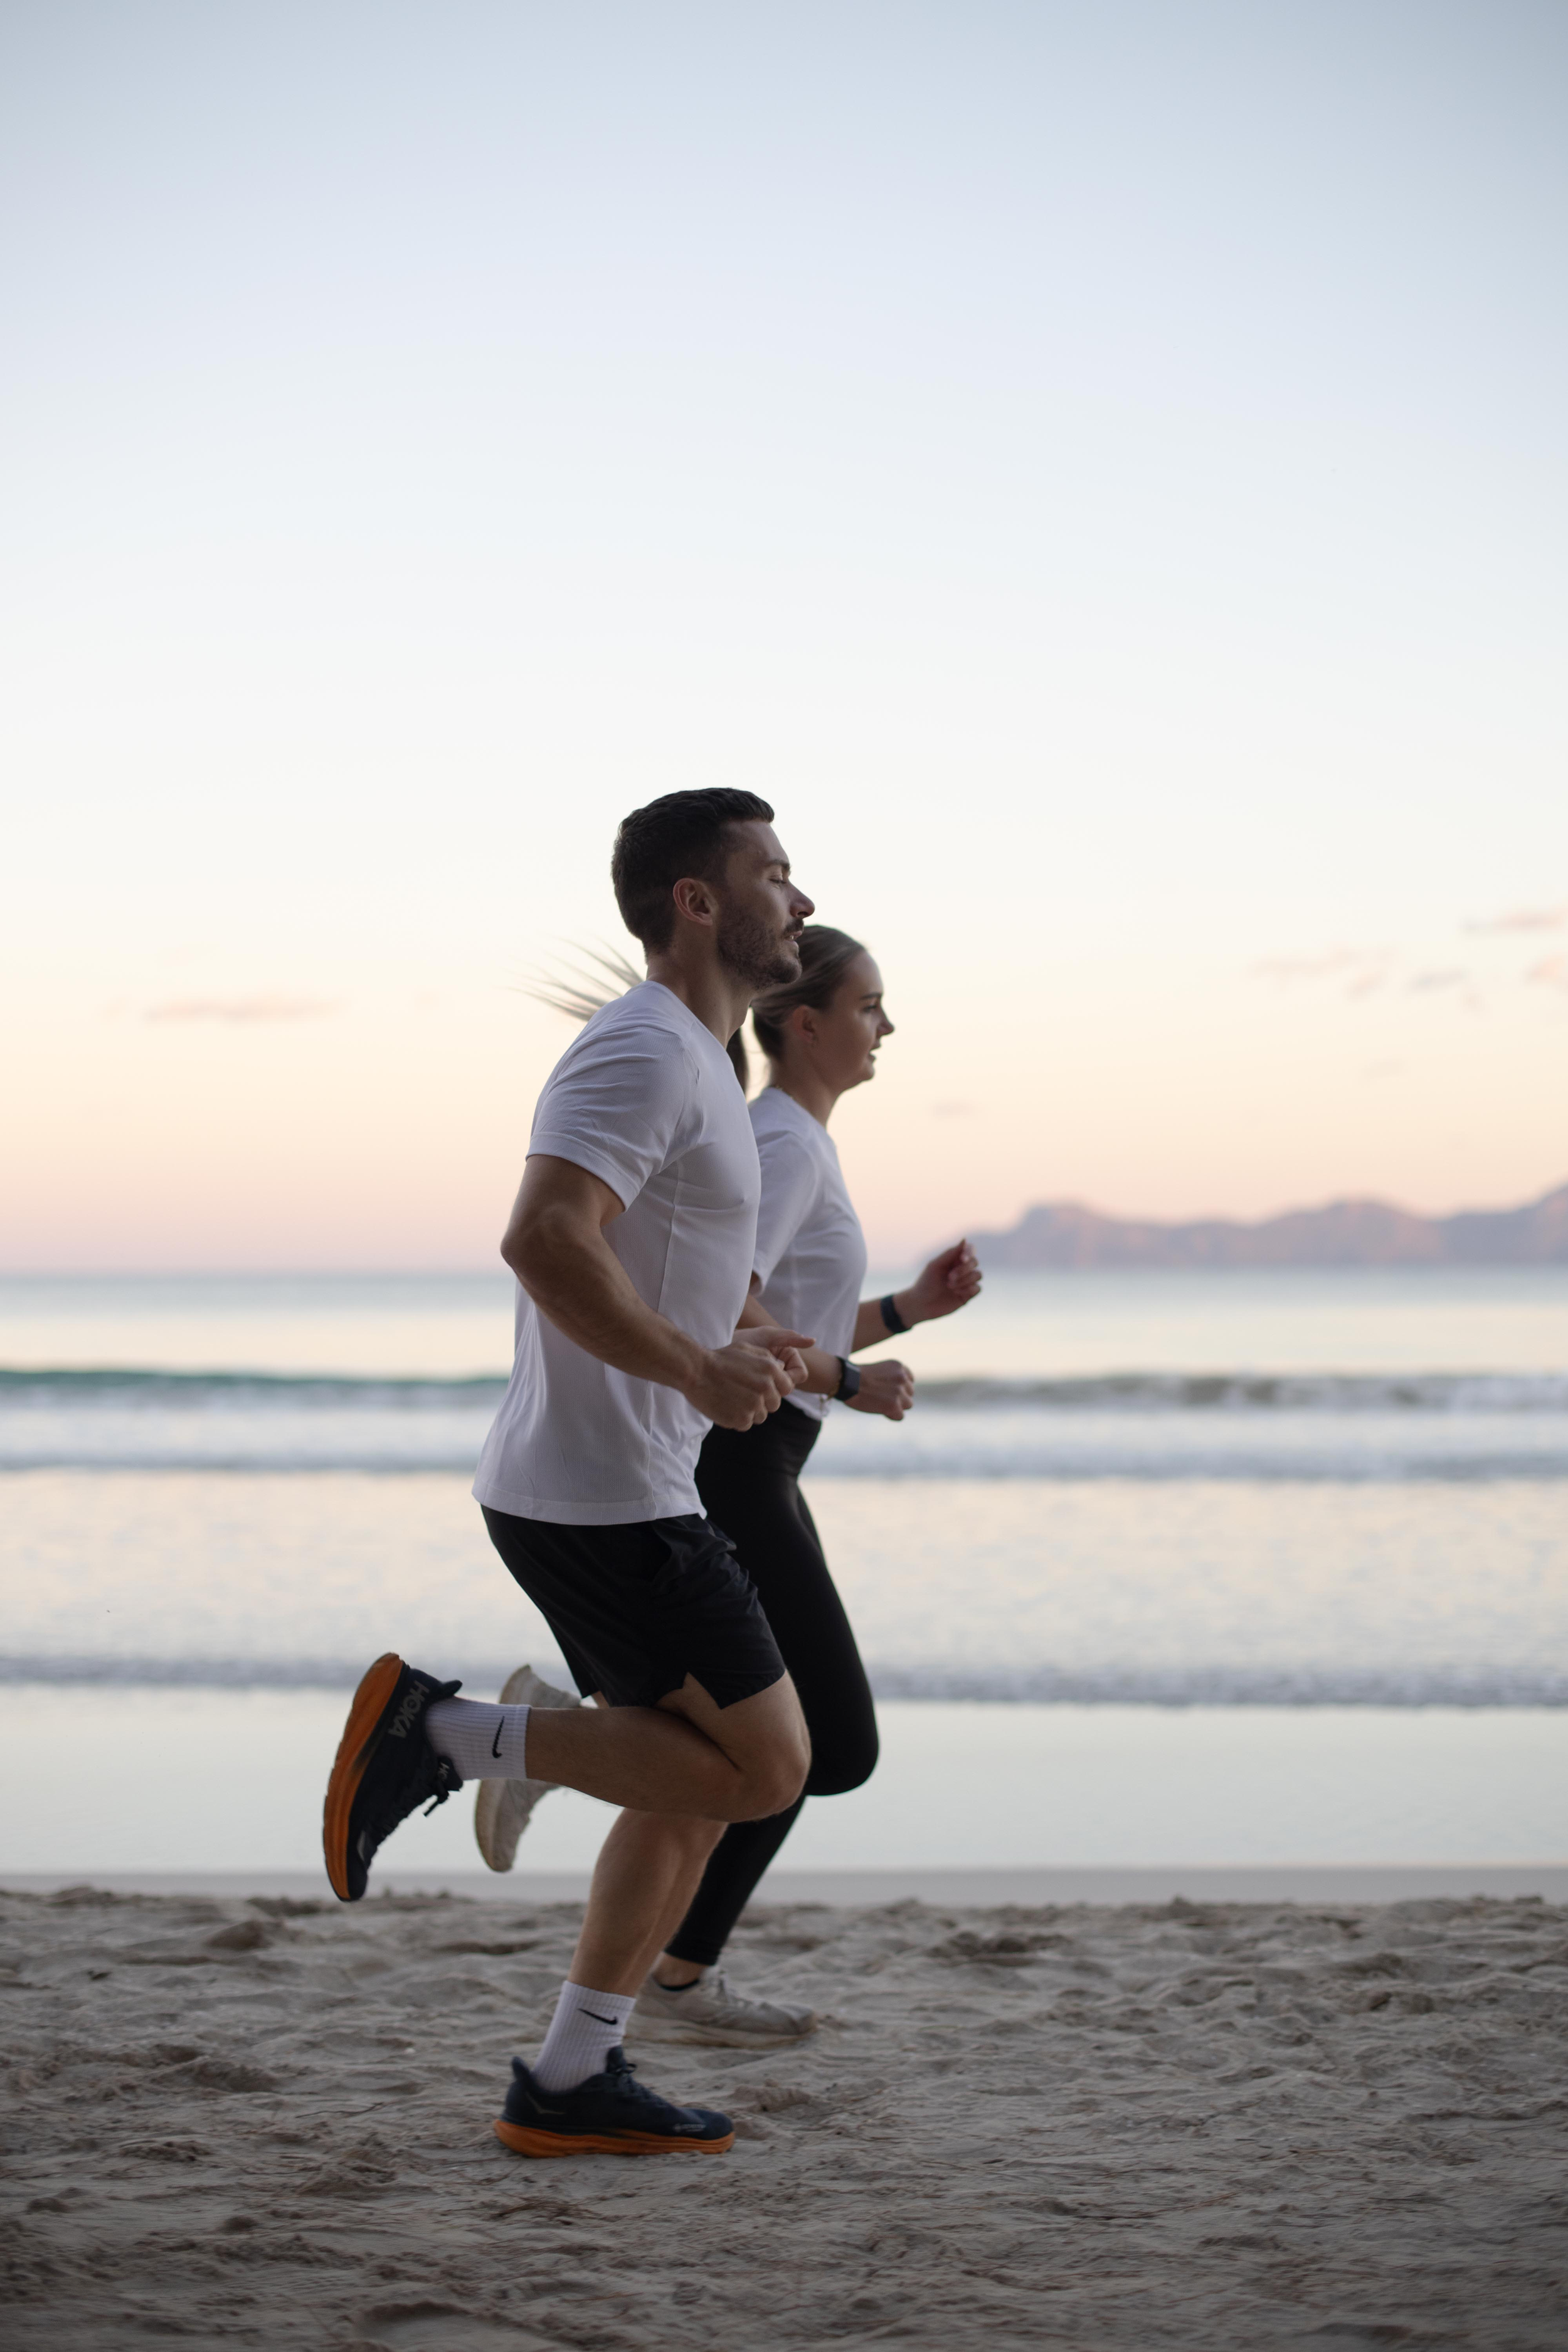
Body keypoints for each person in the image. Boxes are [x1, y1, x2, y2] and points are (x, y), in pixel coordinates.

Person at [322, 788, 817, 2160]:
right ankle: (441, 1733)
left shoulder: (700, 1063)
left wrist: (731, 1339)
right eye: (773, 872)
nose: (801, 896)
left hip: (613, 1482)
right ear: (696, 902)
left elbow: (634, 1256)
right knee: (768, 1767)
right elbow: (543, 1240)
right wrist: (687, 1368)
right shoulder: (645, 1050)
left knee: (691, 1784)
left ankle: (567, 2077)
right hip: (606, 1496)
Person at [485, 926, 982, 2051]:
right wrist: (851, 1376)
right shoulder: (786, 1141)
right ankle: (570, 1785)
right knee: (821, 1748)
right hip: (735, 1468)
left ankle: (660, 1978)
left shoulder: (788, 1136)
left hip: (758, 1461)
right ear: (803, 1022)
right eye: (869, 1005)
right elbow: (732, 1313)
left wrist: (901, 1314)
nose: (885, 1027)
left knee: (746, 1760)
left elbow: (757, 1311)